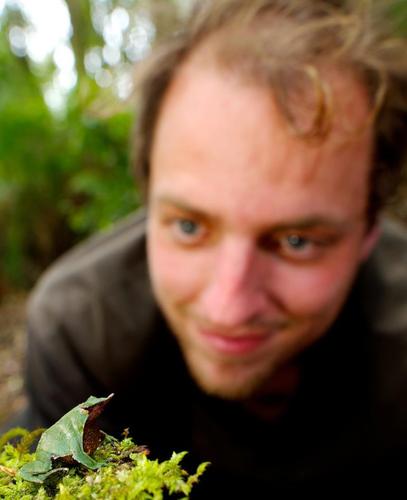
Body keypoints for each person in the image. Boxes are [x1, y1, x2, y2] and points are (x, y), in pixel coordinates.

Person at [8, 0, 407, 495]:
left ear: (371, 229)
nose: (228, 306)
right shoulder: (83, 329)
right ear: (147, 200)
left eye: (297, 241)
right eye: (190, 227)